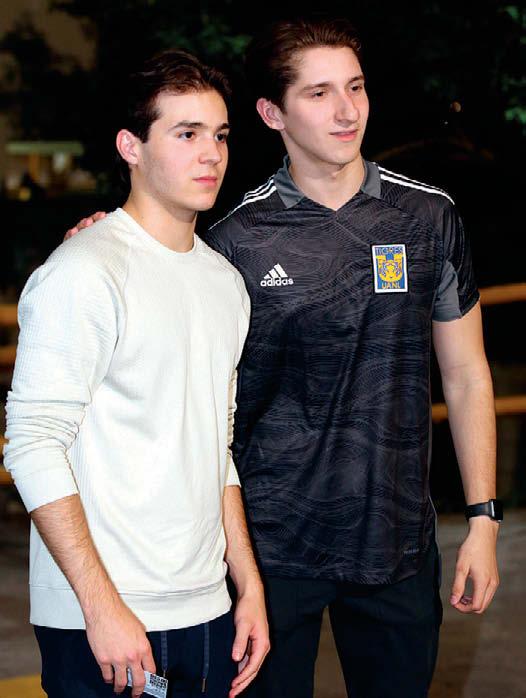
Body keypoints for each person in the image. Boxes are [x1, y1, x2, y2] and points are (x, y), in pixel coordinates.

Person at [65, 17, 501, 698]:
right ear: (272, 114)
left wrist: (483, 519)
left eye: (355, 87)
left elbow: (468, 376)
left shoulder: (428, 218)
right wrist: (99, 237)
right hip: (270, 555)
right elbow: (149, 262)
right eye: (320, 93)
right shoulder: (234, 238)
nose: (347, 110)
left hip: (395, 543)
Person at [4, 49, 269, 698]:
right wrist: (101, 607)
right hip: (103, 618)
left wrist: (248, 584)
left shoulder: (225, 284)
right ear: (131, 147)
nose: (210, 154)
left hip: (207, 607)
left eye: (220, 135)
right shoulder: (83, 273)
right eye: (186, 134)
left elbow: (215, 448)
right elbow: (33, 443)